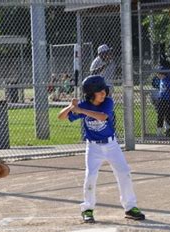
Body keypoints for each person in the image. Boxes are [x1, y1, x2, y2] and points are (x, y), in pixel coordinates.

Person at [58, 75, 145, 223]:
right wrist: (71, 107)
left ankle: (130, 207)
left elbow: (102, 117)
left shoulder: (108, 103)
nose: (103, 93)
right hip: (93, 147)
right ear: (91, 94)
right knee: (90, 176)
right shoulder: (84, 105)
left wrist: (81, 110)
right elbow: (61, 117)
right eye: (99, 91)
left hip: (112, 145)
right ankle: (87, 209)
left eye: (104, 90)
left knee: (124, 173)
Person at [155, 67, 170, 137]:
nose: (157, 75)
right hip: (160, 100)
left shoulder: (167, 80)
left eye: (158, 74)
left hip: (167, 100)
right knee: (160, 116)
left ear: (162, 74)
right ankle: (159, 132)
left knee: (168, 117)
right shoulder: (161, 80)